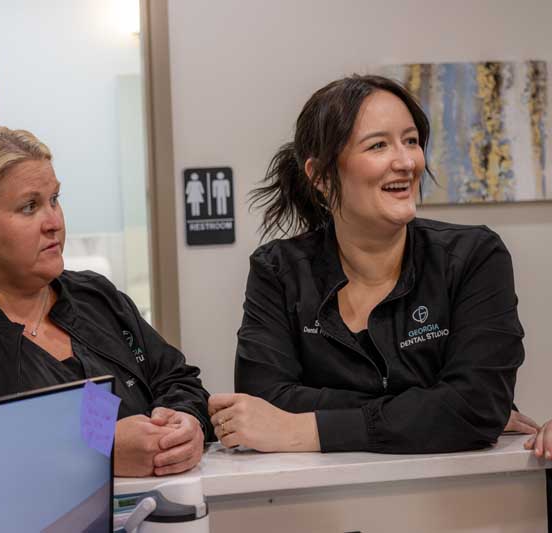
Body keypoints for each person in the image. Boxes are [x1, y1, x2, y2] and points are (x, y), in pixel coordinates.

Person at [209, 74, 535, 454]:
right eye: (378, 145)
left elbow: (476, 405)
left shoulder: (473, 257)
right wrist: (435, 406)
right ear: (320, 176)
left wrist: (308, 430)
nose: (406, 161)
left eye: (411, 141)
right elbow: (263, 407)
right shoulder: (278, 270)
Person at [0, 125, 211, 477]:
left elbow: (178, 380)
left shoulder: (97, 298)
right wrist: (94, 446)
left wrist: (185, 422)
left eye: (55, 200)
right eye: (29, 207)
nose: (54, 223)